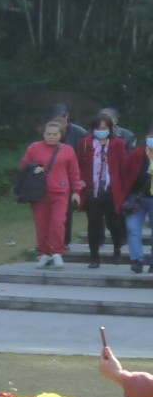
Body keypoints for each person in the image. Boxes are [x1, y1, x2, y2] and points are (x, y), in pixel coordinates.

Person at [20, 119, 83, 269]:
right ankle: (44, 253)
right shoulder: (34, 148)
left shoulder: (67, 150)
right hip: (39, 192)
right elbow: (24, 165)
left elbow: (74, 173)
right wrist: (33, 168)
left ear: (60, 135)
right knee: (41, 224)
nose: (51, 137)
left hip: (60, 192)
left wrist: (76, 192)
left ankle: (57, 252)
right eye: (48, 134)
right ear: (43, 134)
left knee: (58, 222)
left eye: (55, 134)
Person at [80, 108, 131, 267]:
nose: (102, 131)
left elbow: (123, 167)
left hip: (111, 190)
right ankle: (94, 256)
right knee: (94, 225)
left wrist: (125, 191)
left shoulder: (118, 143)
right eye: (99, 128)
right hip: (93, 191)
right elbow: (80, 165)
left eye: (105, 128)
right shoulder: (86, 143)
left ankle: (117, 249)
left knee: (114, 223)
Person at [49, 103, 88, 252]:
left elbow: (84, 158)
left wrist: (81, 179)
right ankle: (52, 241)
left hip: (72, 174)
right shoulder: (50, 131)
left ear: (67, 117)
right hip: (54, 175)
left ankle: (64, 241)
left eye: (61, 119)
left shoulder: (79, 133)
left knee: (67, 210)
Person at [126, 131, 153, 275]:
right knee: (133, 230)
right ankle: (136, 260)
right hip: (136, 198)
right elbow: (125, 172)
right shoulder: (136, 155)